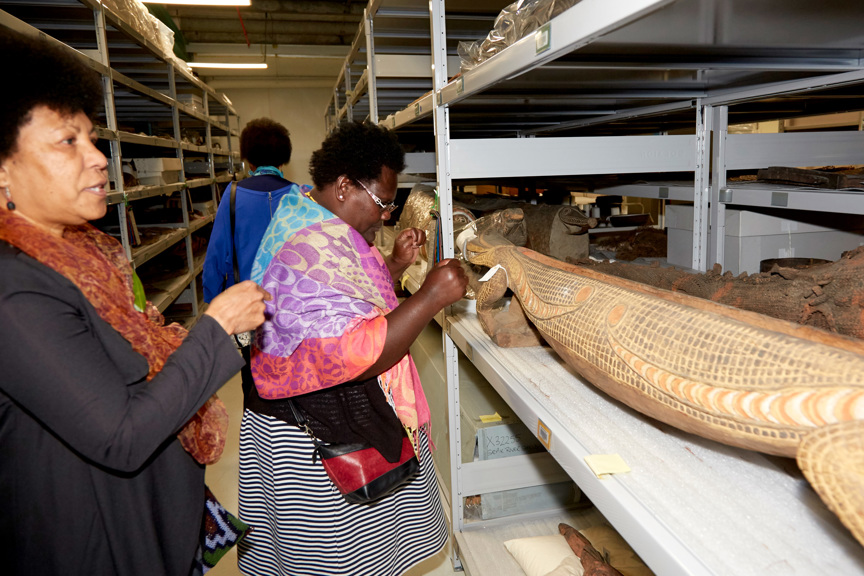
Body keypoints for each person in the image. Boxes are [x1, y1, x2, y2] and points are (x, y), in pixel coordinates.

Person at [0, 31, 270, 576]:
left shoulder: (87, 258)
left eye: (92, 139)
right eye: (67, 142)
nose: (100, 160)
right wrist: (213, 331)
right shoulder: (13, 291)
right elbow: (121, 435)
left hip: (151, 532)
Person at [237, 121, 468, 575]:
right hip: (310, 437)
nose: (386, 216)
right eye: (382, 203)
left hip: (305, 415)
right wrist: (430, 297)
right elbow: (355, 354)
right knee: (338, 558)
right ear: (344, 186)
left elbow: (340, 291)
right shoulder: (310, 245)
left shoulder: (303, 212)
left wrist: (396, 263)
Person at [202, 117, 308, 303]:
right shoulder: (300, 195)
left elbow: (216, 256)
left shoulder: (233, 195)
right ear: (283, 161)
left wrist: (214, 303)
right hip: (291, 303)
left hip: (245, 304)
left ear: (249, 160)